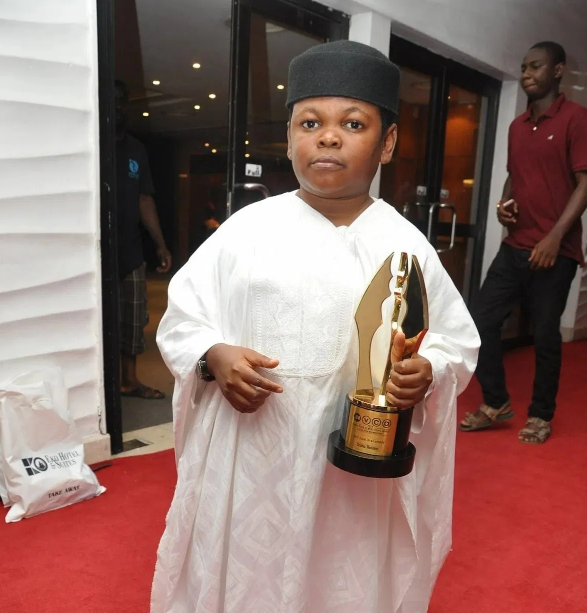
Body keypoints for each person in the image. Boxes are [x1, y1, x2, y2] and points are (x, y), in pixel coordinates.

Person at [151, 41, 479, 613]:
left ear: (389, 142)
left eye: (353, 123)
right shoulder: (246, 229)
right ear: (290, 136)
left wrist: (428, 370)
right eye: (310, 122)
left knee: (340, 577)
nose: (328, 136)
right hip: (253, 457)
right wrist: (213, 356)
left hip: (353, 466)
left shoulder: (406, 244)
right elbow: (184, 317)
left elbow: (455, 339)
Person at [460, 42, 587, 444]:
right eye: (523, 66)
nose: (527, 73)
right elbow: (515, 175)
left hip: (555, 252)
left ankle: (540, 415)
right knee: (479, 321)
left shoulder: (576, 119)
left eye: (536, 67)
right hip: (515, 245)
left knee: (546, 335)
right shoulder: (517, 126)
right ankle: (496, 401)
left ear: (558, 71)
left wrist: (554, 237)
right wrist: (504, 204)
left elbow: (586, 182)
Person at [115, 80, 172, 399]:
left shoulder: (136, 149)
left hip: (131, 251)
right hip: (94, 255)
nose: (117, 107)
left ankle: (129, 381)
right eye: (111, 100)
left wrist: (160, 245)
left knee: (134, 319)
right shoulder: (91, 143)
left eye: (122, 100)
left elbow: (144, 200)